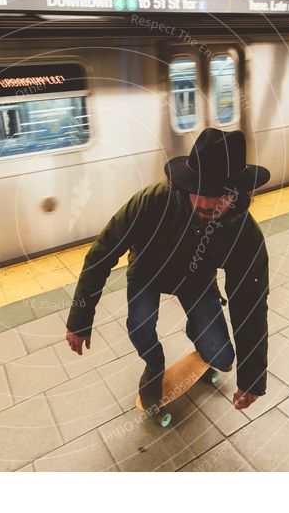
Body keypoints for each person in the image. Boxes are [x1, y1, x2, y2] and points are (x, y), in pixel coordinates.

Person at [65, 128, 271, 412]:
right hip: (147, 273)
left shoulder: (243, 232)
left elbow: (251, 302)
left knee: (222, 358)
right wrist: (80, 318)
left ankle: (199, 332)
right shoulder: (152, 201)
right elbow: (102, 253)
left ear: (238, 194)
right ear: (186, 184)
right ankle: (154, 365)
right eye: (200, 190)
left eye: (221, 194)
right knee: (140, 325)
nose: (208, 202)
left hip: (197, 282)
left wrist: (252, 378)